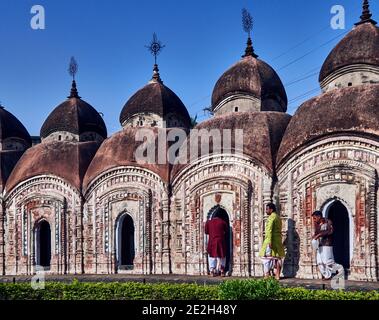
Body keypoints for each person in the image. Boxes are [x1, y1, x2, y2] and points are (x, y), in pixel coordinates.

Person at [312, 210, 343, 280]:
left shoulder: (328, 222)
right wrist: (314, 237)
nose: (314, 220)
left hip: (327, 244)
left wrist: (320, 234)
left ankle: (339, 269)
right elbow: (316, 233)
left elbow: (330, 231)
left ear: (319, 217)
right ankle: (327, 275)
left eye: (315, 218)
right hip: (319, 245)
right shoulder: (317, 224)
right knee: (319, 262)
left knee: (328, 261)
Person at [259, 203, 285, 280]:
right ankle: (277, 275)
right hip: (278, 240)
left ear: (271, 209)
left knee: (266, 258)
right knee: (277, 257)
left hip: (271, 240)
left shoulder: (271, 218)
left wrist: (269, 241)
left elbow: (269, 230)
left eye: (267, 209)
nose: (266, 211)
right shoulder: (278, 217)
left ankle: (266, 275)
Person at [205, 208, 228, 277]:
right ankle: (222, 270)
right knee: (222, 255)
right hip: (221, 241)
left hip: (212, 241)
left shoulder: (208, 222)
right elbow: (226, 231)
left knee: (212, 256)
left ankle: (212, 270)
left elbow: (206, 232)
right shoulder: (223, 222)